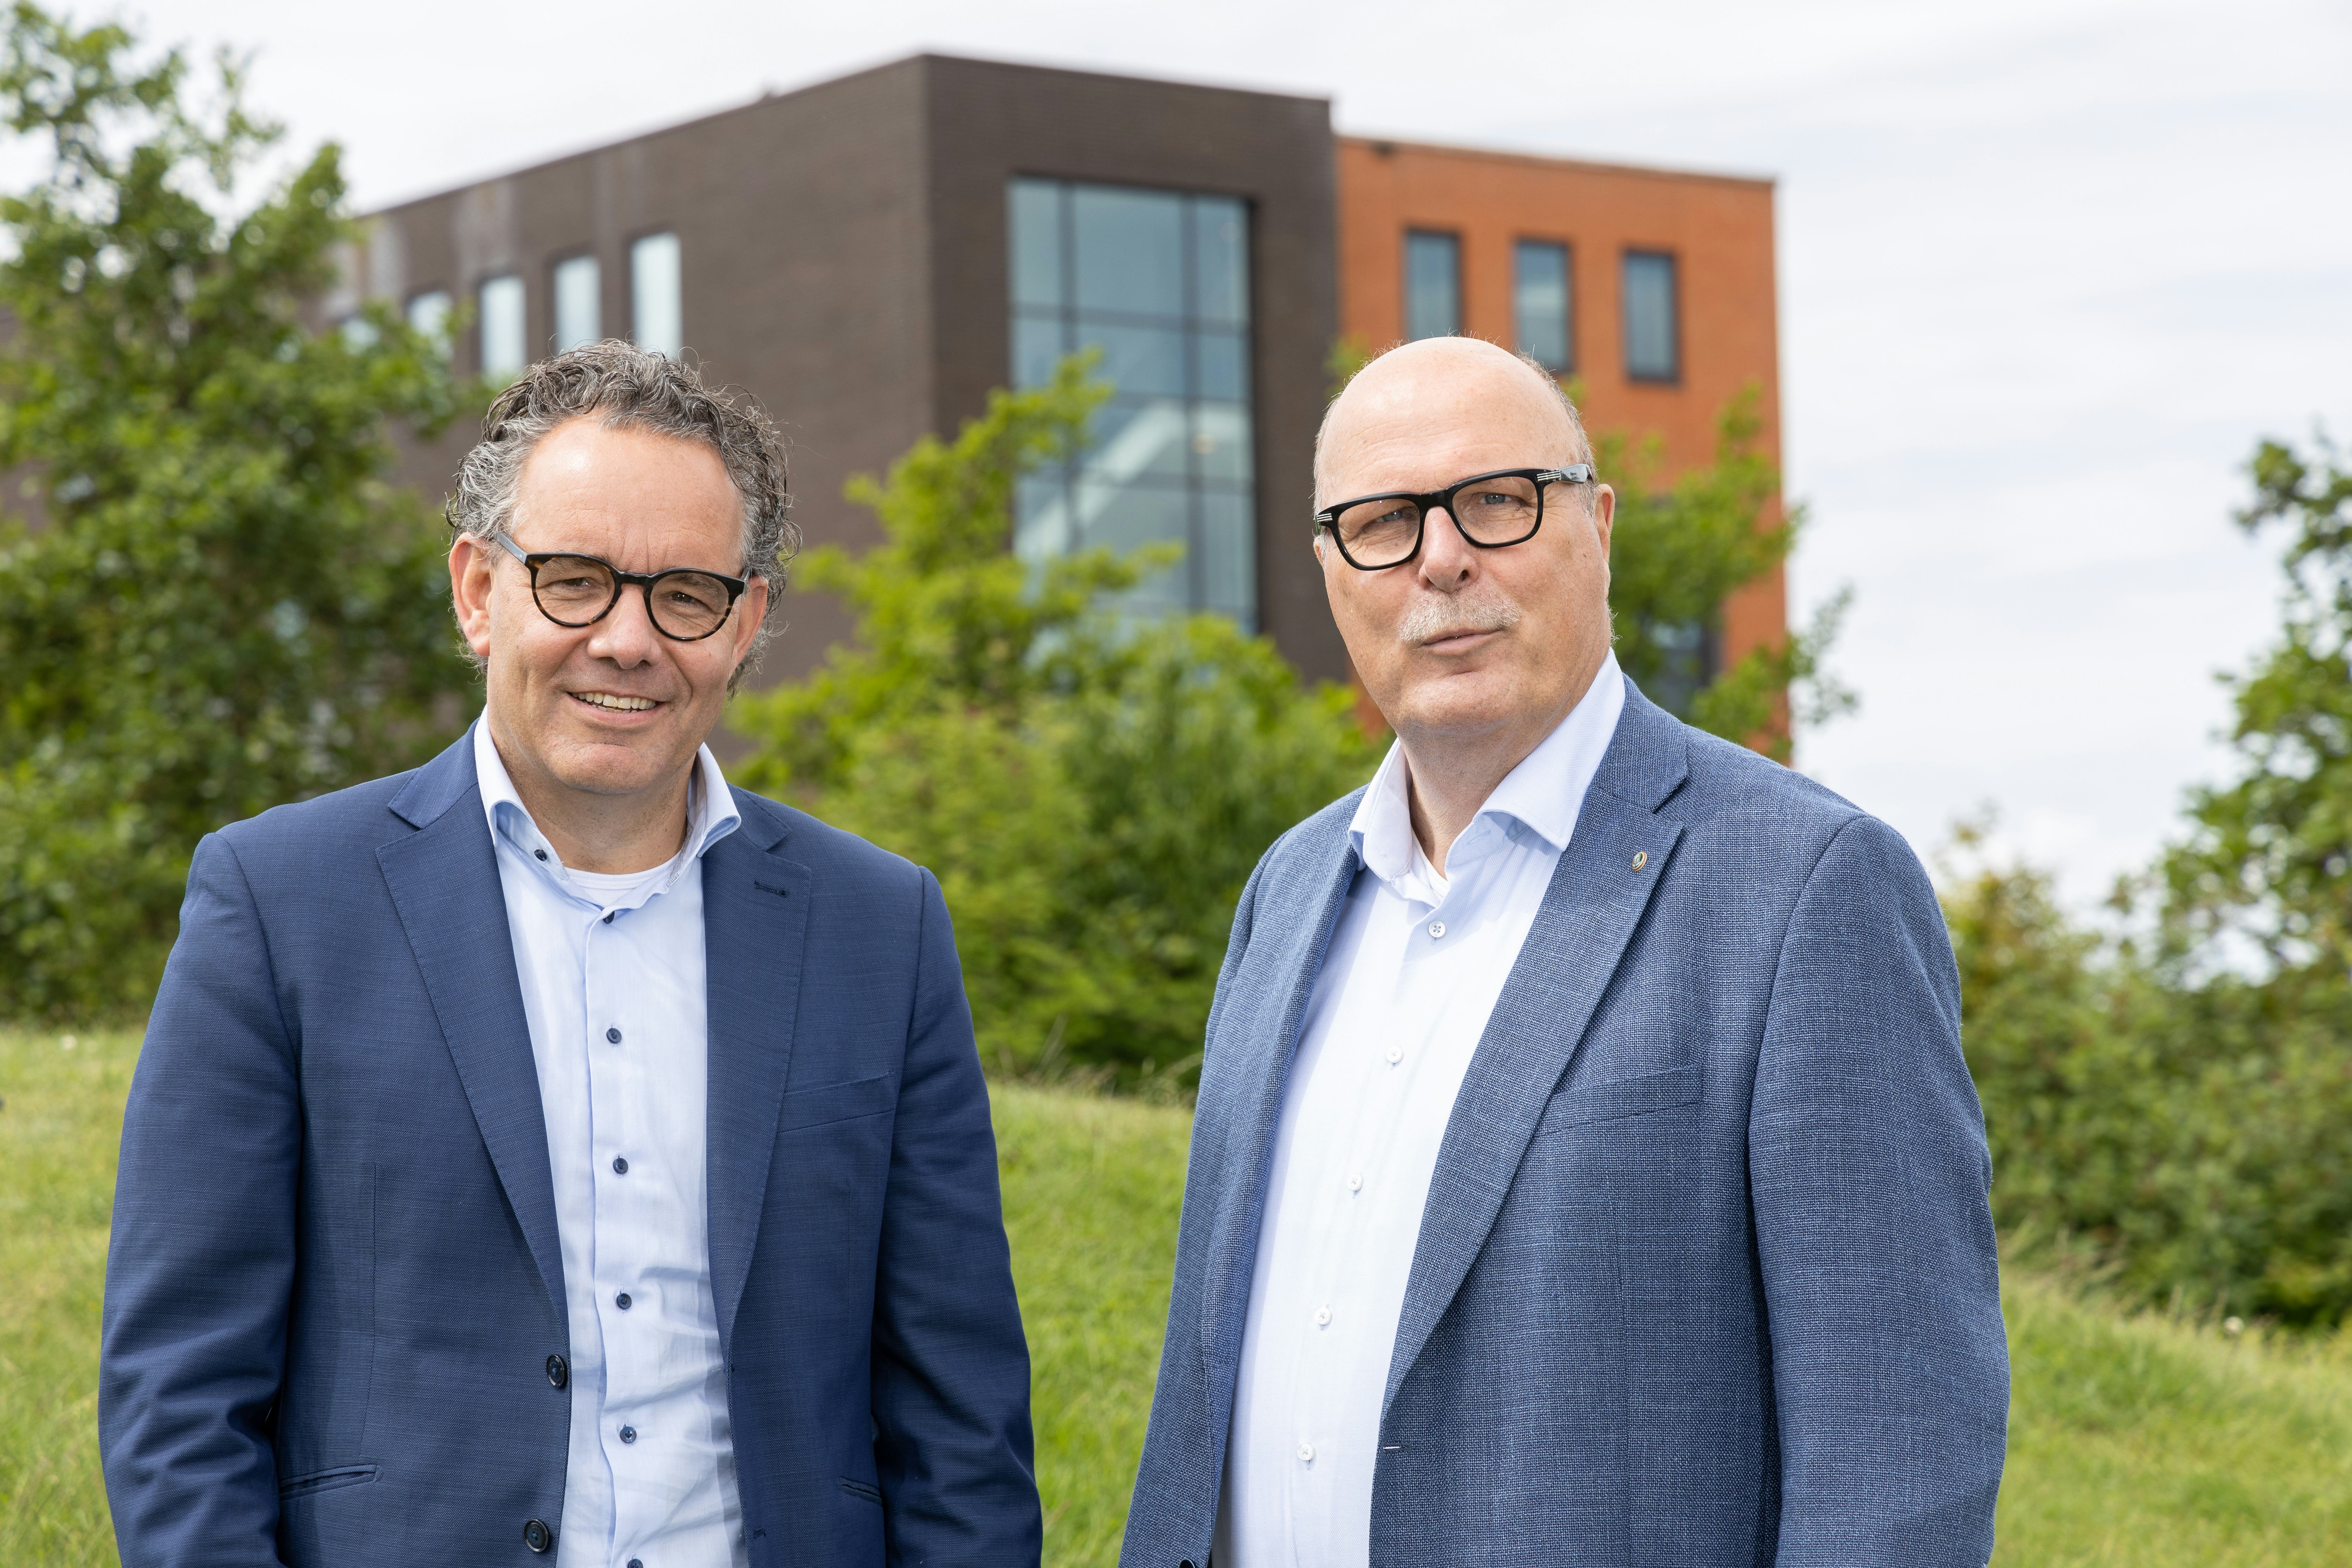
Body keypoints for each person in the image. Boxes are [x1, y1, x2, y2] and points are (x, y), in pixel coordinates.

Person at [100, 342, 1041, 1568]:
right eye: (576, 581)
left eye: (684, 594)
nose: (629, 639)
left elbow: (961, 1412)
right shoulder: (280, 903)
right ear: (479, 593)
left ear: (745, 622)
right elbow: (179, 1401)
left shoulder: (882, 926)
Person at [1120, 337, 2007, 1568]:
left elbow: (1898, 1461)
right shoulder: (1288, 891)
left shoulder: (1805, 888)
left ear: (1597, 525)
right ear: (1331, 572)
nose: (1441, 560)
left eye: (1496, 501)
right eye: (1382, 521)